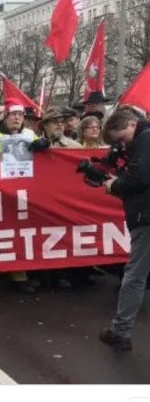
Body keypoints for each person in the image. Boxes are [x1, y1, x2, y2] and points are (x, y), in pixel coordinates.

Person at [0, 99, 44, 293]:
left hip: (23, 194)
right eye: (14, 115)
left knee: (21, 236)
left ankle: (19, 276)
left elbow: (44, 154)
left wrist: (44, 145)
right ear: (5, 117)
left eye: (20, 115)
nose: (18, 118)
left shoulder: (30, 135)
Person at [99, 109, 150, 350]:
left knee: (134, 277)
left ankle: (120, 332)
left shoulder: (145, 139)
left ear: (132, 123)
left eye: (121, 138)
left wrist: (115, 184)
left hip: (147, 216)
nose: (121, 144)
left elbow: (141, 177)